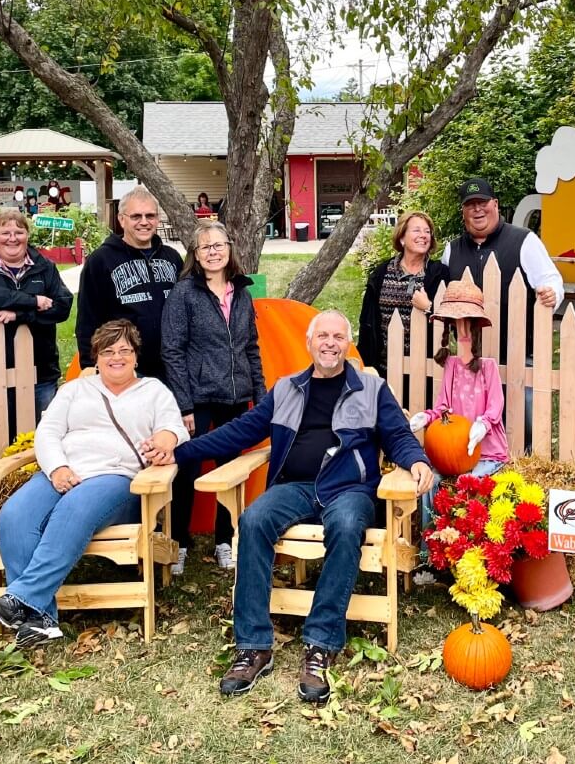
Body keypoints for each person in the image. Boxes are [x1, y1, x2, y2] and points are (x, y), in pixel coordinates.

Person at [147, 310, 434, 703]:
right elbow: (238, 432)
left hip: (348, 489)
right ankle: (253, 645)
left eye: (338, 337)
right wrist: (180, 452)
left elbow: (398, 434)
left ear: (347, 344)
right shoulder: (286, 389)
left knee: (348, 525)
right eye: (323, 336)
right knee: (254, 519)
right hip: (295, 486)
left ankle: (320, 644)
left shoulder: (371, 389)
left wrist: (417, 460)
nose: (330, 343)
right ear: (309, 342)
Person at [0, 320, 189, 649]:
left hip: (117, 479)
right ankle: (42, 620)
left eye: (124, 350)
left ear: (136, 356)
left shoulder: (153, 391)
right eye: (108, 351)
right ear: (95, 358)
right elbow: (47, 433)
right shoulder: (74, 390)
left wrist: (166, 437)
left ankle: (20, 598)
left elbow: (173, 428)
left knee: (72, 509)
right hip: (63, 472)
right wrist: (58, 467)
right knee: (15, 514)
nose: (116, 357)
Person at [160, 221, 267, 574]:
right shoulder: (184, 294)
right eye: (205, 247)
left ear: (230, 248)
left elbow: (251, 347)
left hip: (236, 398)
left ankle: (225, 540)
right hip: (198, 398)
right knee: (186, 469)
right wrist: (184, 404)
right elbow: (172, 350)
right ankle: (179, 543)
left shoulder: (242, 293)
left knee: (229, 470)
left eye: (219, 245)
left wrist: (261, 397)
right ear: (195, 254)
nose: (213, 252)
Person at [0, 208, 73, 440]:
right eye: (5, 232)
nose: (12, 238)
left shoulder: (45, 267)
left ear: (27, 235)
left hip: (40, 371)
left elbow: (62, 306)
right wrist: (32, 301)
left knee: (43, 440)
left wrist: (19, 315)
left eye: (19, 232)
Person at [409, 276, 509, 527]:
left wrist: (482, 425)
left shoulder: (488, 367)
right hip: (451, 449)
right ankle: (429, 547)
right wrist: (428, 417)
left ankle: (464, 547)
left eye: (467, 325)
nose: (462, 331)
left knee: (471, 486)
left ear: (476, 328)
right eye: (456, 324)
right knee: (429, 478)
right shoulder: (452, 365)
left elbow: (495, 407)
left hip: (485, 450)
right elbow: (444, 406)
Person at [442, 178, 564, 363]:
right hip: (468, 357)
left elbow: (550, 279)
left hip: (520, 356)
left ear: (495, 204)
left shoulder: (524, 241)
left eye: (483, 202)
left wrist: (551, 292)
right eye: (470, 204)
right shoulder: (452, 250)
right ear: (463, 211)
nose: (477, 209)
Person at [75, 186, 184, 382]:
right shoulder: (101, 261)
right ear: (121, 219)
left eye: (150, 215)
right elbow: (87, 318)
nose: (144, 222)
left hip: (172, 366)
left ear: (158, 219)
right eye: (136, 216)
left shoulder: (172, 258)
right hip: (124, 368)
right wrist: (90, 366)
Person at [357, 210, 451, 376]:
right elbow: (367, 322)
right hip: (384, 369)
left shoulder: (439, 274)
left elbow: (452, 321)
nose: (423, 235)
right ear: (401, 238)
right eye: (416, 230)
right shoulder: (381, 273)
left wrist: (428, 307)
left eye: (427, 231)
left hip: (425, 370)